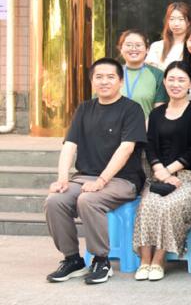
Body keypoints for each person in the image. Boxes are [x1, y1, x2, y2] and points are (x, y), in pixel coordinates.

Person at [44, 57, 147, 285]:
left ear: (120, 81)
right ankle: (72, 260)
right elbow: (69, 145)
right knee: (54, 200)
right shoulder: (84, 109)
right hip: (84, 177)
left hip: (122, 180)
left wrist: (101, 180)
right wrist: (62, 179)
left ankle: (101, 260)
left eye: (110, 77)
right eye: (99, 77)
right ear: (92, 81)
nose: (104, 81)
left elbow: (126, 149)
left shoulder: (132, 109)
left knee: (88, 200)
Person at [131, 61, 191, 280]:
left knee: (168, 205)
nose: (176, 84)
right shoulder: (156, 114)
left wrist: (170, 171)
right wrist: (161, 171)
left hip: (190, 178)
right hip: (159, 177)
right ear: (164, 82)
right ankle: (145, 260)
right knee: (147, 205)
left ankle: (159, 260)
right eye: (171, 79)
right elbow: (150, 145)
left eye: (181, 80)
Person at [118, 28, 168, 119]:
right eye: (128, 45)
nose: (133, 49)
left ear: (147, 49)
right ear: (121, 49)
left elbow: (159, 111)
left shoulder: (158, 75)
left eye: (138, 45)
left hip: (145, 126)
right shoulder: (112, 73)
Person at [147, 2, 191, 69]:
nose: (176, 24)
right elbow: (151, 72)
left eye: (181, 19)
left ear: (189, 22)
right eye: (172, 19)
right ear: (167, 21)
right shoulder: (156, 46)